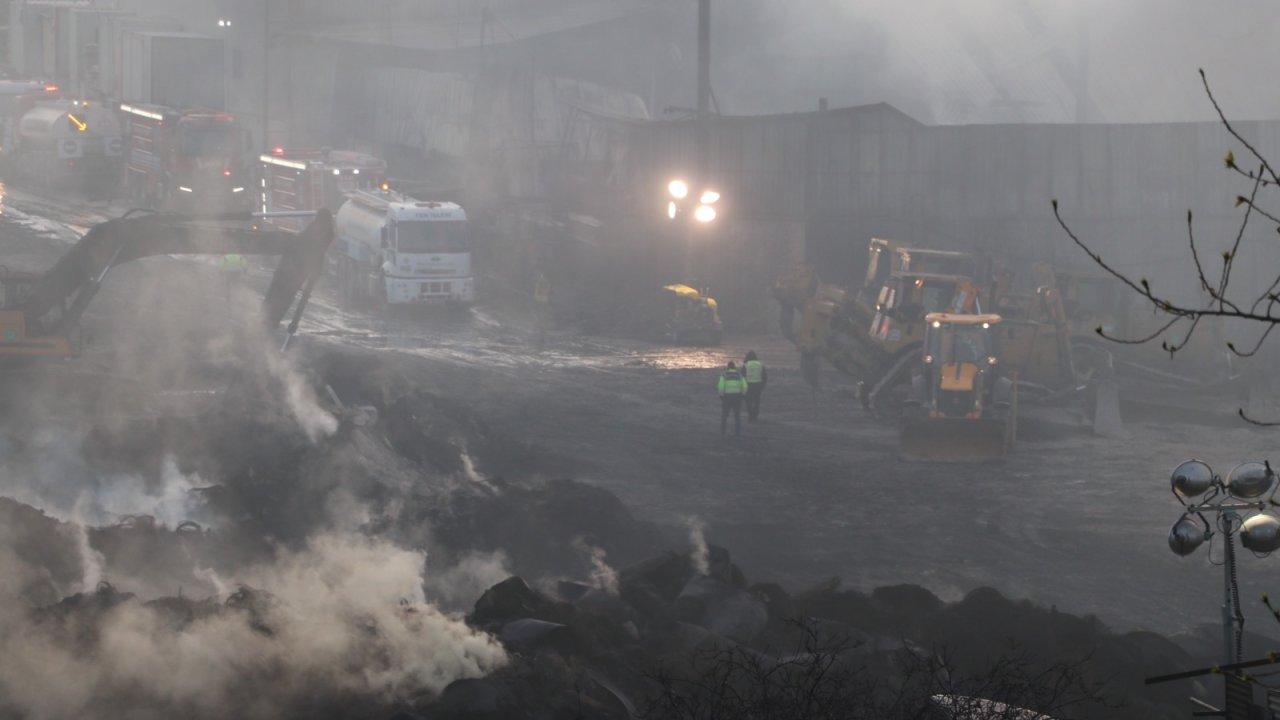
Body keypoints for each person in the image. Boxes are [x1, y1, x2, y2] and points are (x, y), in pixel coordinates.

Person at [717, 361, 748, 436]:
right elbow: (745, 386)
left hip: (727, 396)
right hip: (737, 396)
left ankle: (722, 432)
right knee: (737, 416)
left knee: (724, 415)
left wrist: (721, 395)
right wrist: (743, 394)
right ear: (734, 367)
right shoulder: (739, 375)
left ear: (728, 367)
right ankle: (737, 433)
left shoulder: (724, 375)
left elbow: (721, 386)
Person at [743, 350, 767, 421]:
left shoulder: (746, 365)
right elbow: (764, 376)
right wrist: (763, 385)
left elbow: (742, 376)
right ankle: (755, 415)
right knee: (757, 401)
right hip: (758, 385)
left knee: (748, 401)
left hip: (748, 385)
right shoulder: (760, 364)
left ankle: (751, 414)